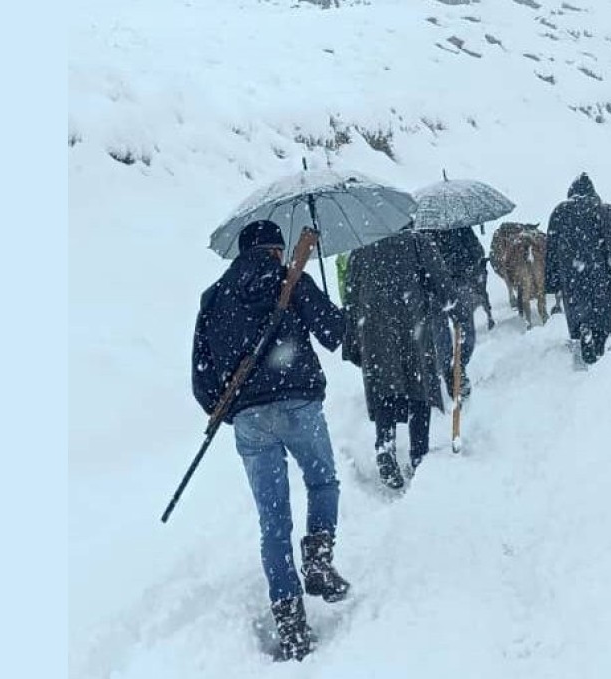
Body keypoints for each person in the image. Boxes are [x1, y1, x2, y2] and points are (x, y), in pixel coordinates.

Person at [191, 219, 351, 662]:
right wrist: (328, 306)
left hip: (248, 417)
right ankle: (318, 559)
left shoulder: (214, 296)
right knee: (322, 483)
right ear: (276, 250)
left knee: (273, 519)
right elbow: (334, 333)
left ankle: (291, 623)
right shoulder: (288, 277)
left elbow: (201, 375)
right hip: (299, 403)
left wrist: (232, 412)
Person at [341, 227, 460, 489]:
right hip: (412, 326)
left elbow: (350, 297)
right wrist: (453, 305)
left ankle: (385, 447)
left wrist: (352, 340)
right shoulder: (418, 242)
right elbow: (441, 283)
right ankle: (419, 456)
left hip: (373, 331)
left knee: (385, 389)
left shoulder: (360, 250)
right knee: (420, 390)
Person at [544, 173, 611, 366]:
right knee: (601, 311)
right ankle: (599, 344)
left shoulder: (558, 212)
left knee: (577, 309)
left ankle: (583, 330)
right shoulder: (599, 209)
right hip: (597, 272)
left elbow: (551, 249)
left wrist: (551, 279)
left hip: (570, 274)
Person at [423, 227, 485, 399]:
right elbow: (477, 252)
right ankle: (457, 368)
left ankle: (452, 369)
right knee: (464, 327)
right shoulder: (459, 226)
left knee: (440, 330)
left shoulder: (422, 231)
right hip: (454, 284)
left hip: (436, 287)